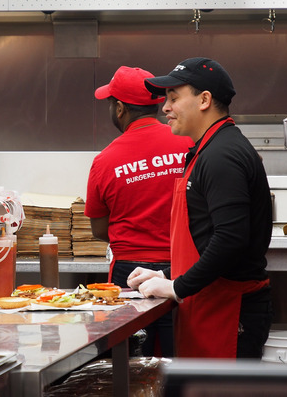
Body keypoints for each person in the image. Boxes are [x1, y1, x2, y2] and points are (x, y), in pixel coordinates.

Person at [127, 57, 273, 358]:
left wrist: (177, 286)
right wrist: (164, 274)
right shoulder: (205, 149)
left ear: (204, 99)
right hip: (208, 303)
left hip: (229, 310)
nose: (165, 108)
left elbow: (231, 239)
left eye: (173, 98)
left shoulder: (222, 154)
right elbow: (205, 237)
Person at [85, 65, 193, 357]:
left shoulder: (105, 160)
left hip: (128, 275)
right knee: (178, 361)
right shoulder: (190, 144)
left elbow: (98, 229)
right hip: (182, 272)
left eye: (111, 103)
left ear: (119, 108)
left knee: (127, 366)